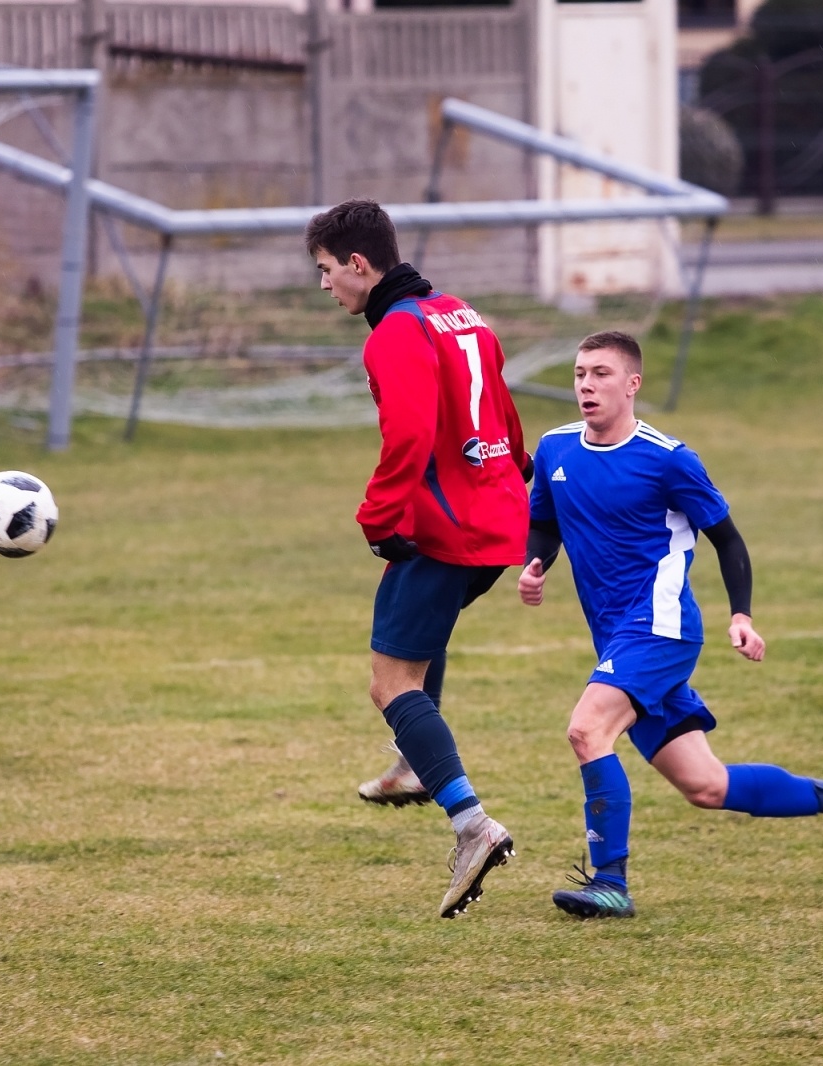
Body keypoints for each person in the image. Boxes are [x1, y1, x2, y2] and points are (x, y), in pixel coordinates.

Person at [517, 330, 823, 920]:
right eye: (581, 373)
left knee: (588, 731)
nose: (586, 384)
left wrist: (740, 615)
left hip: (662, 628)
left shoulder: (668, 459)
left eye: (601, 374)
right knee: (706, 786)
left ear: (632, 384)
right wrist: (536, 565)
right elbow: (546, 522)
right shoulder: (557, 449)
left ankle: (610, 882)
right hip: (618, 635)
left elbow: (728, 540)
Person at [306, 198, 533, 918]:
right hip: (495, 517)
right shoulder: (462, 314)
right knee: (414, 636)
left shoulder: (394, 334)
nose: (324, 286)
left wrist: (377, 515)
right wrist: (516, 477)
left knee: (389, 681)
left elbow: (408, 434)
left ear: (360, 265)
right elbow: (503, 410)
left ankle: (471, 825)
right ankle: (413, 765)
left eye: (326, 271)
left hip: (450, 527)